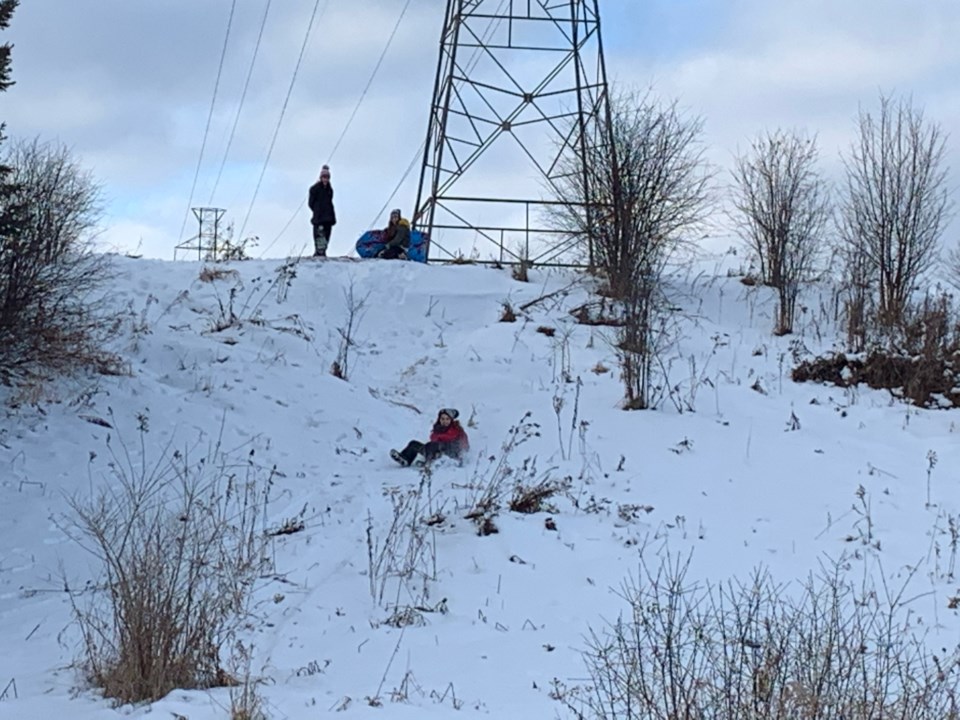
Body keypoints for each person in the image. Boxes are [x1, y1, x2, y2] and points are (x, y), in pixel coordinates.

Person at [391, 408, 469, 466]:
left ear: (451, 420)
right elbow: (433, 439)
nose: (444, 421)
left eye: (447, 419)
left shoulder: (456, 429)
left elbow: (462, 443)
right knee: (414, 444)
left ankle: (429, 463)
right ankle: (406, 459)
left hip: (451, 454)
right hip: (434, 451)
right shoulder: (438, 429)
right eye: (442, 419)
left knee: (434, 445)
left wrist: (461, 455)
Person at [308, 165, 336, 257]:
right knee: (319, 236)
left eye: (327, 177)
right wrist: (317, 210)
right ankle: (319, 252)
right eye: (324, 177)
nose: (325, 179)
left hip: (328, 218)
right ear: (321, 178)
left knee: (326, 236)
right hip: (319, 218)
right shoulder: (314, 189)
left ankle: (323, 252)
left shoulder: (329, 190)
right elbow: (310, 203)